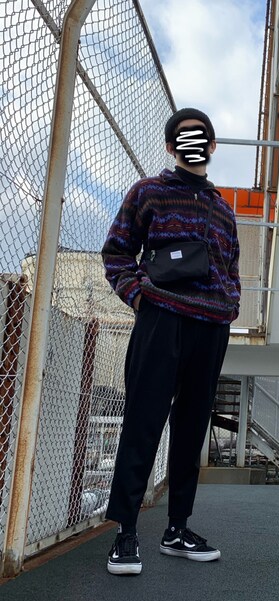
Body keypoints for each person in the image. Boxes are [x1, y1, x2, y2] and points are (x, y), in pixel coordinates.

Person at [101, 108, 240, 575]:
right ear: (171, 146)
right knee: (143, 422)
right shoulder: (148, 192)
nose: (193, 144)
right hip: (161, 320)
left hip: (211, 327)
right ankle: (125, 532)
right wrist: (139, 298)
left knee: (192, 427)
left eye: (201, 137)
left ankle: (177, 528)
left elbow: (232, 267)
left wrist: (229, 306)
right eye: (184, 137)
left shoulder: (224, 209)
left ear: (212, 146)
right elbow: (116, 251)